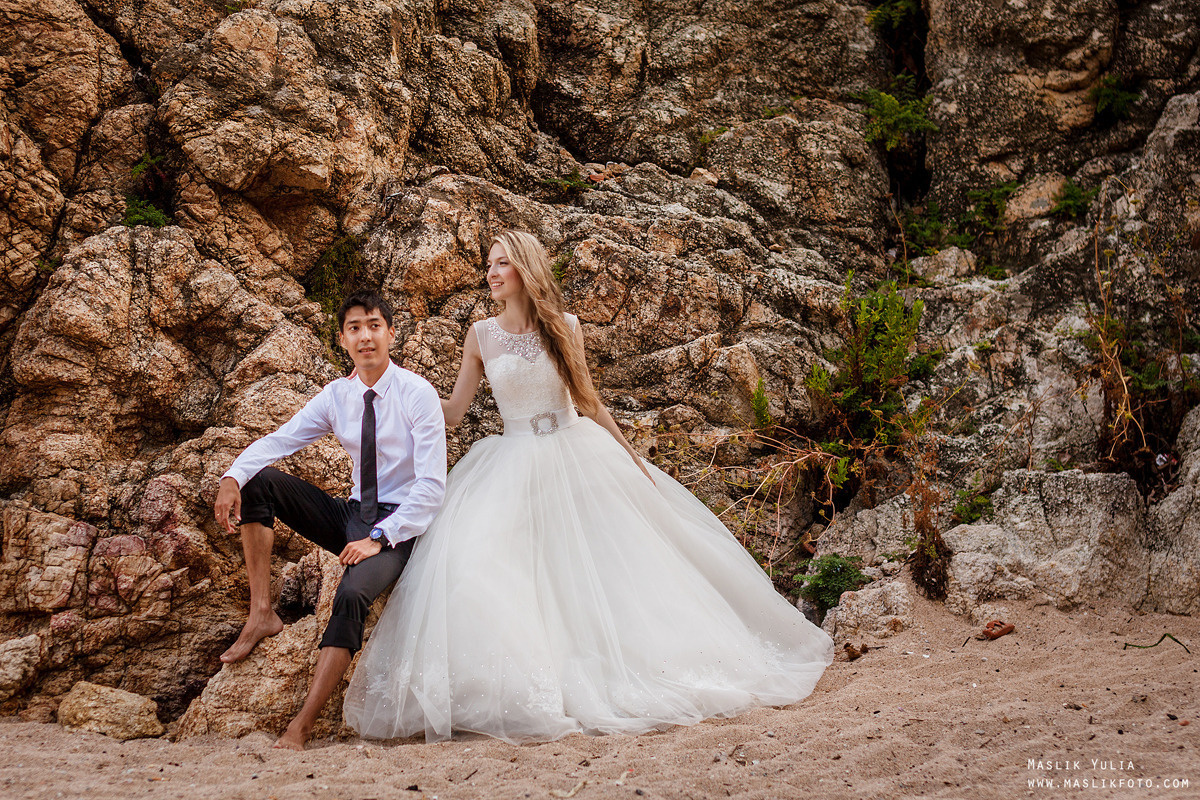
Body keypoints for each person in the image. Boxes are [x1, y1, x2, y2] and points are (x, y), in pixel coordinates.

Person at [343, 231, 834, 743]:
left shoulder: (566, 327)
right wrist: (398, 382)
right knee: (491, 567)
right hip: (510, 463)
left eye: (501, 263)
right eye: (489, 264)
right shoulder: (480, 335)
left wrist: (632, 460)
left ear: (525, 269)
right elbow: (452, 412)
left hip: (575, 453)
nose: (491, 273)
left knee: (612, 567)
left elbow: (590, 403)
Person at [213, 289, 446, 750]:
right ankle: (262, 612)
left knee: (352, 593)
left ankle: (301, 726)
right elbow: (281, 440)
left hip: (399, 525)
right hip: (351, 513)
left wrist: (380, 537)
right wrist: (231, 476)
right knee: (259, 482)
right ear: (342, 339)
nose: (365, 337)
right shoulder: (338, 395)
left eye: (374, 326)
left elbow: (431, 488)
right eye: (355, 328)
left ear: (391, 333)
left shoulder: (417, 394)